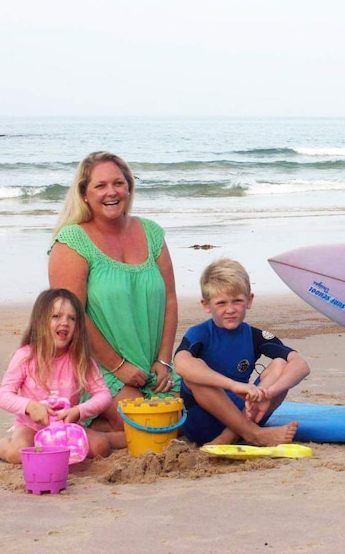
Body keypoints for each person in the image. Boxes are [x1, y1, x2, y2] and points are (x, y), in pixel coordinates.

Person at [48, 151, 179, 436]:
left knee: (184, 424)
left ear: (129, 187)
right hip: (99, 368)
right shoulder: (71, 242)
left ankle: (90, 429)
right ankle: (83, 425)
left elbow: (170, 299)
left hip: (152, 366)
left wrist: (164, 360)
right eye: (100, 185)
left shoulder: (151, 233)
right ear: (84, 193)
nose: (112, 192)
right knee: (149, 428)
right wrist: (118, 367)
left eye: (118, 183)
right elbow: (72, 317)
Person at [0, 288, 117, 463]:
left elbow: (103, 394)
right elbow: (3, 395)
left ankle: (118, 437)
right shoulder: (26, 356)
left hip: (67, 427)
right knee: (17, 453)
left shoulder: (81, 359)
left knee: (100, 447)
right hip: (30, 427)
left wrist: (79, 411)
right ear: (40, 321)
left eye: (72, 318)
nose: (65, 323)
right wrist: (30, 407)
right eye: (56, 316)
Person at [174, 258, 310, 446]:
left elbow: (301, 365)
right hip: (203, 422)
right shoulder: (200, 333)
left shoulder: (254, 335)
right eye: (221, 303)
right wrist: (233, 385)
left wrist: (269, 393)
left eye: (237, 301)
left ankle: (231, 437)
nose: (230, 309)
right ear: (206, 305)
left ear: (249, 300)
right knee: (195, 373)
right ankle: (253, 434)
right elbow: (180, 363)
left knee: (281, 363)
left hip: (246, 413)